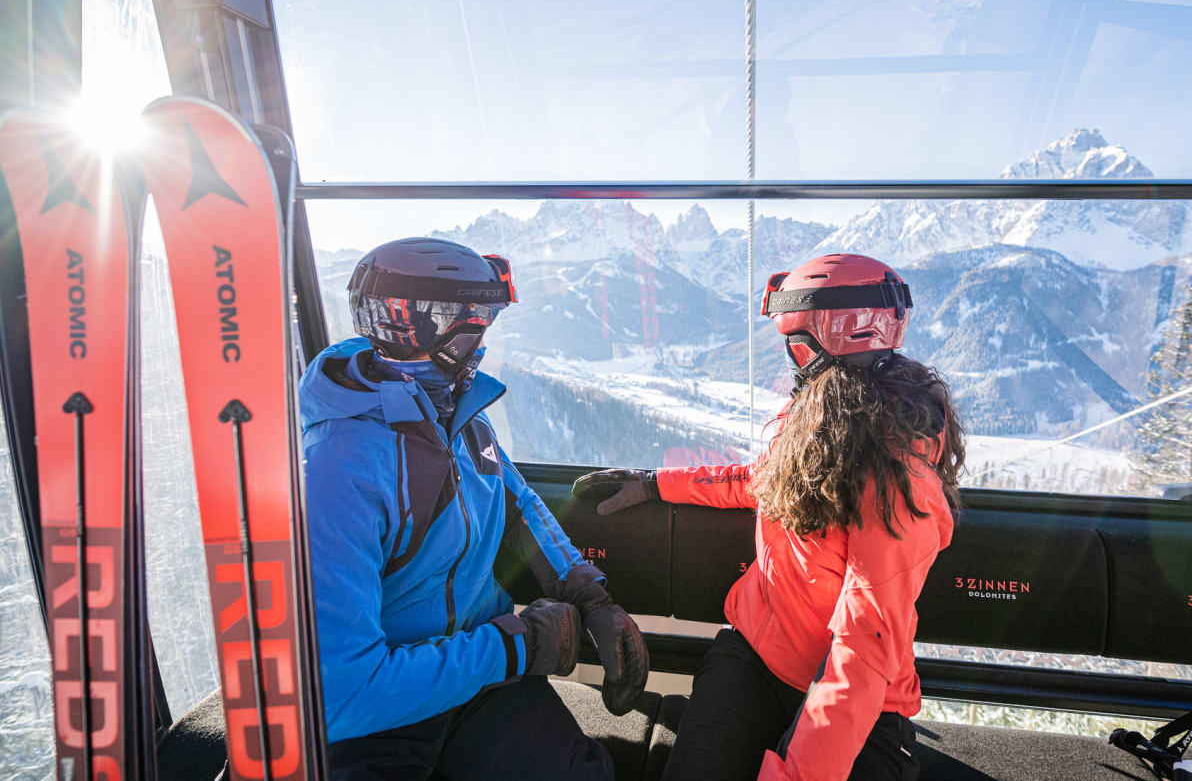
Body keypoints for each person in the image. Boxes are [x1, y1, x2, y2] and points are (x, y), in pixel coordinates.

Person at [574, 253, 963, 781]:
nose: (792, 358)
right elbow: (764, 480)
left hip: (859, 701)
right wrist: (655, 483)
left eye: (796, 344)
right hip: (755, 658)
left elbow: (862, 648)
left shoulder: (898, 477)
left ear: (829, 340)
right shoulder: (818, 418)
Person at [301, 237, 649, 780]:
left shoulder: (458, 416)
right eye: (477, 316)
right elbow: (343, 695)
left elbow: (518, 507)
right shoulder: (336, 472)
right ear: (429, 327)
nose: (485, 331)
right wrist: (517, 647)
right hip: (381, 723)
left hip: (482, 688)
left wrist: (588, 594)